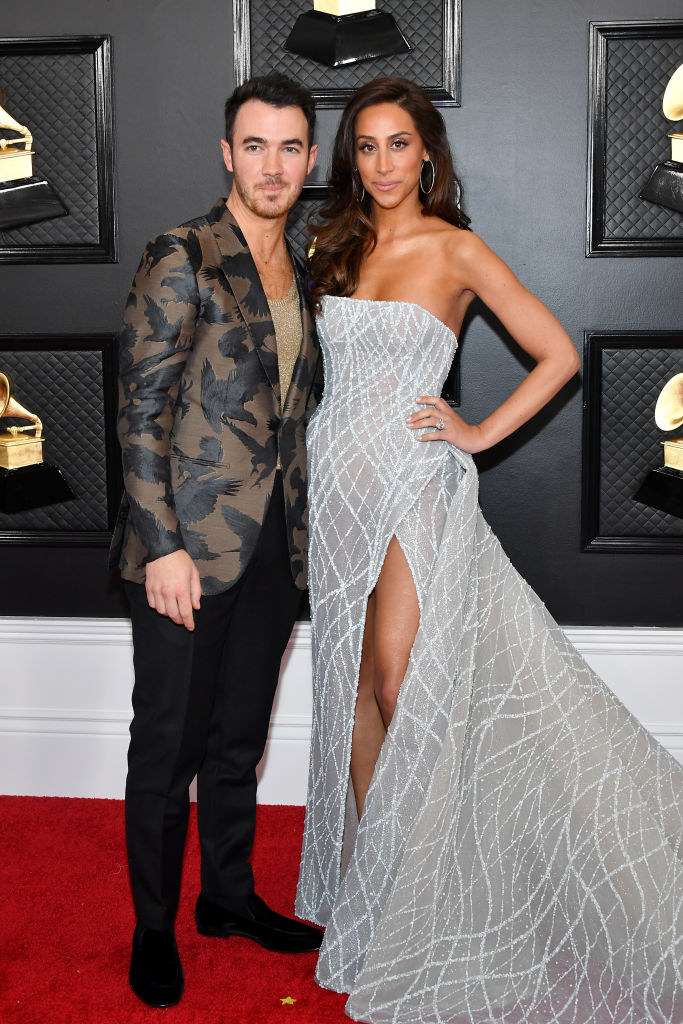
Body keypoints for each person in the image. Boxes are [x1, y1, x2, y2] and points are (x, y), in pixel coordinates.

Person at [295, 77, 683, 1023]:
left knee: (399, 688)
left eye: (399, 145)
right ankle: (372, 898)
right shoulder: (333, 244)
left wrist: (474, 433)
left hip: (414, 490)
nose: (382, 163)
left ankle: (420, 902)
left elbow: (557, 354)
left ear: (427, 151)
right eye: (367, 147)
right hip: (339, 493)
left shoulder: (455, 249)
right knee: (348, 686)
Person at [109, 72, 323, 1009]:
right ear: (226, 154)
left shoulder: (310, 260)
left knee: (238, 742)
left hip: (276, 545)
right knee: (168, 746)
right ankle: (154, 926)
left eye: (289, 147)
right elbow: (138, 409)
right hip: (186, 553)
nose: (271, 165)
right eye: (254, 145)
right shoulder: (183, 253)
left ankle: (226, 900)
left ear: (308, 161)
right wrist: (159, 545)